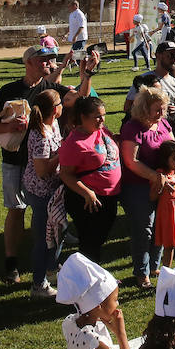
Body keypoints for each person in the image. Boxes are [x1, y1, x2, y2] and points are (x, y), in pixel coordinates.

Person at [0, 45, 96, 284]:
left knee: (45, 217)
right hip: (15, 160)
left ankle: (46, 263)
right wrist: (9, 128)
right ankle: (12, 263)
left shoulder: (50, 89)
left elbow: (79, 100)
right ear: (28, 63)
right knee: (16, 210)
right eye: (43, 59)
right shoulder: (10, 89)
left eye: (50, 59)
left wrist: (86, 75)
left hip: (43, 169)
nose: (49, 62)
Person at [56, 96, 122, 263]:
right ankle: (87, 279)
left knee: (98, 240)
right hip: (87, 200)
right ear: (83, 117)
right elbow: (65, 174)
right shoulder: (74, 143)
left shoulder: (102, 131)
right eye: (97, 116)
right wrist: (87, 193)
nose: (102, 119)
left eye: (103, 115)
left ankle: (94, 276)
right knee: (90, 242)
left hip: (109, 195)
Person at [119, 87, 174, 287]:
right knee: (144, 229)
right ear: (144, 108)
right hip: (138, 186)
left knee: (160, 225)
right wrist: (155, 177)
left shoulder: (164, 124)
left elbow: (174, 150)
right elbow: (131, 161)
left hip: (164, 185)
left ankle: (154, 265)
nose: (161, 114)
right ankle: (142, 272)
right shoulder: (132, 128)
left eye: (163, 109)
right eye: (157, 110)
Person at [23, 89, 63, 300]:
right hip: (41, 193)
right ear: (55, 110)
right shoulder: (39, 134)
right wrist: (60, 154)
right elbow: (41, 170)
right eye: (61, 104)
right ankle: (38, 284)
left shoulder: (52, 125)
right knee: (43, 238)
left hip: (52, 191)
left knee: (56, 234)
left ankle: (51, 269)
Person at [152, 140, 175, 268]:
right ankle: (166, 277)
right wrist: (161, 186)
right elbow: (152, 196)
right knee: (168, 248)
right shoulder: (161, 175)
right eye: (174, 158)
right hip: (168, 215)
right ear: (165, 158)